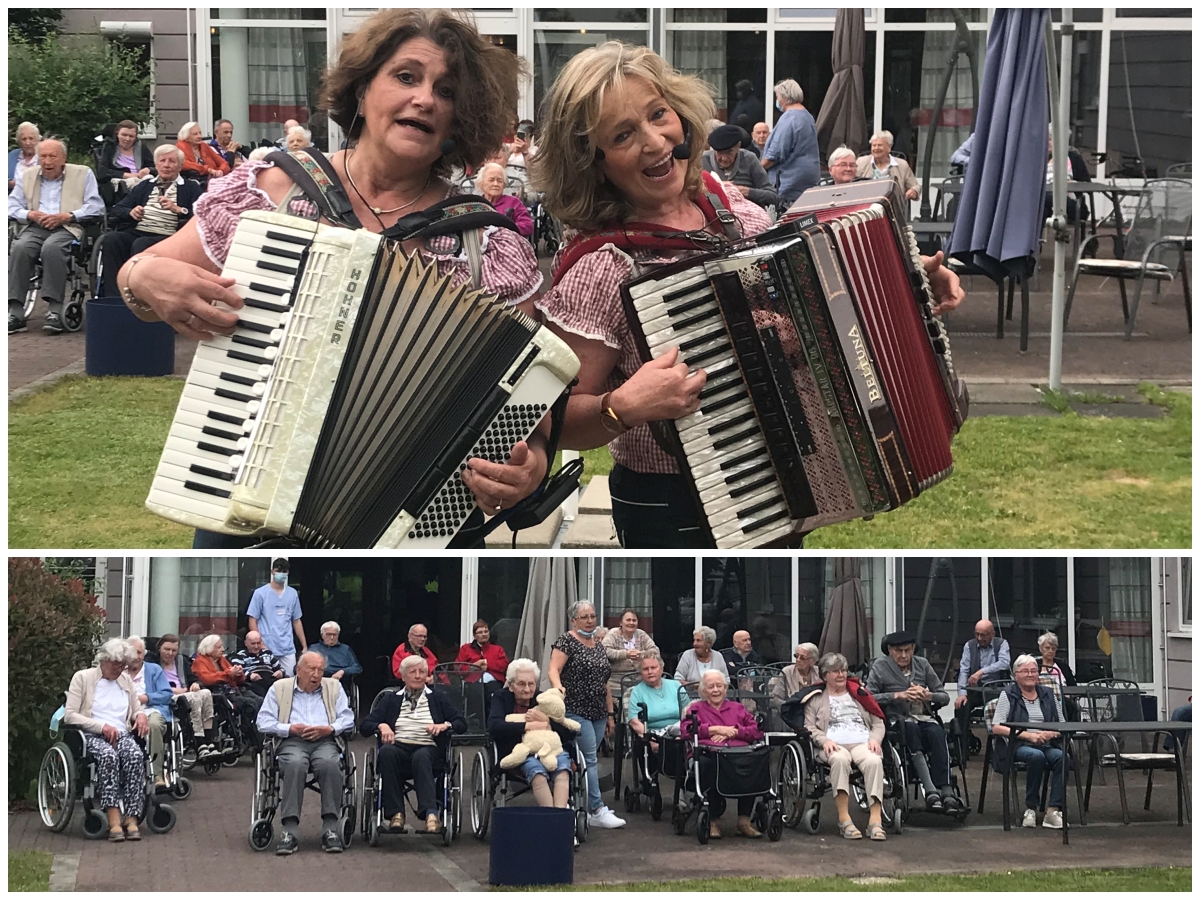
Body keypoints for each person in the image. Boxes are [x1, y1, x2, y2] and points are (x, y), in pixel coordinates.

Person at [116, 10, 550, 548]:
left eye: (448, 90)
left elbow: (534, 412)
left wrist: (529, 466)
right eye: (406, 76)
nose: (425, 99)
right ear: (363, 89)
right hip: (243, 483)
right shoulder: (271, 191)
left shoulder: (488, 242)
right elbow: (139, 285)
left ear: (461, 119)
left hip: (414, 524)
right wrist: (145, 272)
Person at [531, 44, 967, 549]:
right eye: (623, 135)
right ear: (593, 161)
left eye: (658, 115)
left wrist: (908, 287)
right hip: (671, 502)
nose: (654, 142)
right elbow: (554, 418)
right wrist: (622, 407)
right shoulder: (603, 265)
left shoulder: (728, 204)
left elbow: (815, 320)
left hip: (778, 476)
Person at [256, 650, 356, 854]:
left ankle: (330, 828)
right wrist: (290, 728)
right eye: (312, 669)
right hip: (292, 741)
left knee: (330, 763)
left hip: (325, 740)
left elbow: (348, 718)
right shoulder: (279, 688)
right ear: (298, 670)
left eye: (321, 670)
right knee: (295, 764)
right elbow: (263, 721)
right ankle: (289, 830)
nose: (317, 674)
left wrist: (329, 729)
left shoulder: (334, 687)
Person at [8, 138, 106, 334]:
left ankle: (54, 309)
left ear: (63, 159)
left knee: (52, 248)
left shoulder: (82, 174)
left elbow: (96, 206)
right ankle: (15, 311)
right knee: (19, 248)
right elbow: (10, 206)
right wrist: (29, 214)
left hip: (68, 226)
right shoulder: (27, 176)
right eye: (43, 156)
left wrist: (68, 215)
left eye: (52, 156)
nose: (47, 161)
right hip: (37, 225)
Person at [360, 655, 466, 833]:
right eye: (413, 672)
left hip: (428, 748)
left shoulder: (438, 698)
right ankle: (396, 815)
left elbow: (461, 723)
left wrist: (444, 725)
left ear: (427, 675)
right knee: (386, 753)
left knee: (421, 756)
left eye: (422, 672)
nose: (418, 676)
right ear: (403, 676)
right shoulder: (391, 699)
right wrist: (382, 725)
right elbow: (364, 727)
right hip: (399, 747)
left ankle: (431, 814)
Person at [547, 600, 625, 829]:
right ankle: (597, 809)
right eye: (585, 617)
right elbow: (554, 668)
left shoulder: (598, 644)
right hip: (575, 708)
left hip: (598, 709)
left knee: (588, 759)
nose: (590, 621)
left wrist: (610, 713)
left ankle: (583, 802)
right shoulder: (566, 641)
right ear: (574, 620)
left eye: (593, 616)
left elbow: (605, 682)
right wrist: (557, 686)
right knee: (589, 757)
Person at [64, 638, 151, 842]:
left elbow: (136, 708)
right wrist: (101, 726)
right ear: (103, 660)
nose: (119, 669)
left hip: (121, 732)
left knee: (135, 756)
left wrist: (140, 715)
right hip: (90, 734)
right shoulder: (83, 678)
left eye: (122, 665)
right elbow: (70, 715)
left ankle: (131, 818)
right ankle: (113, 819)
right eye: (115, 664)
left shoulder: (125, 681)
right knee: (108, 756)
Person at [866, 631, 958, 812]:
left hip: (923, 717)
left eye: (907, 650)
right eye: (898, 651)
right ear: (890, 651)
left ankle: (947, 791)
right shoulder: (880, 666)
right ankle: (930, 790)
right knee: (910, 731)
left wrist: (927, 694)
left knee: (938, 733)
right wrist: (897, 695)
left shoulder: (922, 664)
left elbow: (944, 697)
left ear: (913, 649)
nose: (903, 655)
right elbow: (868, 697)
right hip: (896, 720)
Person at [97, 144, 203, 298]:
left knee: (141, 244)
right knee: (111, 240)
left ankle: (140, 295)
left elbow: (203, 214)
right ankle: (114, 296)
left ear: (180, 166)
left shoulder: (190, 187)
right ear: (156, 164)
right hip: (140, 230)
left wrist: (179, 210)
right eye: (162, 161)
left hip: (171, 236)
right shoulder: (145, 186)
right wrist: (131, 212)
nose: (166, 165)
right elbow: (118, 208)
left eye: (172, 161)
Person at [806, 652, 888, 841]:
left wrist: (875, 739)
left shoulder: (859, 694)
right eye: (835, 671)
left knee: (874, 760)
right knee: (840, 759)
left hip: (862, 741)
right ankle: (844, 819)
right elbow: (809, 727)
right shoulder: (816, 698)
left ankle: (875, 820)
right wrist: (824, 740)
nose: (841, 675)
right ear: (825, 675)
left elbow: (878, 721)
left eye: (843, 670)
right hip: (833, 745)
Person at [680, 669, 764, 839]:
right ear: (703, 691)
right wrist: (714, 730)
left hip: (738, 754)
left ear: (726, 689)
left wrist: (733, 732)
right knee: (709, 765)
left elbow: (757, 731)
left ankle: (744, 821)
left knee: (755, 763)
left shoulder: (737, 708)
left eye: (720, 686)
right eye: (711, 687)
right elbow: (686, 730)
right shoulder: (696, 709)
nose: (716, 690)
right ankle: (713, 821)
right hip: (709, 755)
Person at [990, 654, 1067, 830]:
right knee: (1036, 756)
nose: (1030, 674)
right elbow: (996, 727)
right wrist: (1028, 736)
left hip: (1046, 743)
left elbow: (1062, 724)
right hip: (1019, 745)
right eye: (1025, 671)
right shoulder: (1008, 694)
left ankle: (1053, 811)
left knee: (1063, 757)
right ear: (1015, 675)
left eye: (1034, 671)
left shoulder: (1048, 694)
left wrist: (1049, 734)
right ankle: (1030, 808)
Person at [487, 658, 576, 808]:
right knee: (536, 770)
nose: (527, 689)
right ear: (510, 685)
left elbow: (568, 732)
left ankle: (560, 815)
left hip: (551, 750)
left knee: (562, 769)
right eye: (521, 684)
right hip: (519, 751)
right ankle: (551, 817)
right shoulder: (501, 697)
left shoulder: (543, 699)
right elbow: (495, 726)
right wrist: (528, 726)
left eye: (531, 684)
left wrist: (547, 722)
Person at [153, 633, 217, 758]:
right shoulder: (153, 662)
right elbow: (151, 685)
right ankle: (199, 742)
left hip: (185, 693)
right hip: (167, 696)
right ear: (159, 648)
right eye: (167, 649)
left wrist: (195, 684)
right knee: (194, 697)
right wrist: (173, 690)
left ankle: (209, 740)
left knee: (206, 693)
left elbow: (193, 678)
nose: (170, 653)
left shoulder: (181, 661)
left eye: (174, 650)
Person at [761, 79, 821, 210]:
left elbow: (775, 154)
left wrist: (758, 169)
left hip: (790, 184)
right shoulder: (807, 116)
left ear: (784, 97)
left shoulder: (789, 119)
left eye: (777, 97)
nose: (777, 100)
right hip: (807, 179)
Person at [124, 636, 174, 789]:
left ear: (144, 654)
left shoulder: (154, 670)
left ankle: (156, 774)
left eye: (140, 653)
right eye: (133, 652)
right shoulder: (118, 671)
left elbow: (167, 694)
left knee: (153, 724)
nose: (136, 656)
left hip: (150, 709)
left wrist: (146, 698)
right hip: (124, 711)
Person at [247, 559, 305, 676]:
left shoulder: (292, 594)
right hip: (266, 647)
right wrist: (260, 644)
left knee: (288, 682)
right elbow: (253, 620)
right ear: (272, 572)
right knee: (268, 683)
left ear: (288, 573)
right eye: (278, 571)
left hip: (287, 648)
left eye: (284, 571)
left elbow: (296, 621)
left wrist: (304, 645)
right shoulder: (260, 593)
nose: (281, 574)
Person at [192, 632, 263, 726]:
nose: (222, 649)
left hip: (234, 690)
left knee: (260, 700)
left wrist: (238, 673)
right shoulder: (200, 662)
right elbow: (207, 679)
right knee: (250, 704)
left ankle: (258, 730)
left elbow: (239, 679)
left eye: (222, 646)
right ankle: (248, 732)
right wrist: (229, 673)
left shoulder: (221, 659)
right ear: (209, 649)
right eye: (218, 647)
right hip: (220, 694)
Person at [701, 124, 777, 210]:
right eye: (719, 152)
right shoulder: (703, 160)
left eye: (729, 152)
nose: (724, 158)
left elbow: (773, 196)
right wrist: (717, 187)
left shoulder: (749, 159)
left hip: (749, 215)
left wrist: (747, 191)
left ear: (738, 146)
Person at [601, 608, 659, 701]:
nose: (631, 623)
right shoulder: (613, 634)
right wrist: (625, 654)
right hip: (617, 681)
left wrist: (640, 654)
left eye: (634, 620)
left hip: (640, 679)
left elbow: (655, 651)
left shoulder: (641, 634)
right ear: (620, 622)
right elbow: (604, 651)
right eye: (628, 620)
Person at [954, 619, 1012, 709]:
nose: (979, 638)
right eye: (977, 634)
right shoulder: (969, 646)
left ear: (992, 634)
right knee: (962, 705)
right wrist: (962, 693)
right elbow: (964, 670)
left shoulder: (1001, 644)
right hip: (976, 691)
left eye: (983, 635)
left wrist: (981, 672)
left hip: (996, 690)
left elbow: (1004, 663)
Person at [96, 120, 156, 198]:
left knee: (150, 179)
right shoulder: (109, 147)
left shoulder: (141, 148)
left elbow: (155, 167)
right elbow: (102, 172)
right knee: (134, 183)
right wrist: (127, 175)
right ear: (117, 133)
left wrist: (149, 169)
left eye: (131, 136)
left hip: (141, 179)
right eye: (124, 135)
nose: (127, 139)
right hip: (121, 182)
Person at [626, 654, 683, 737]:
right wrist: (650, 738)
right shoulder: (636, 692)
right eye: (645, 669)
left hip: (679, 733)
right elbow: (634, 722)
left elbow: (687, 711)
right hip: (654, 735)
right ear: (641, 672)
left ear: (661, 668)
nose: (650, 672)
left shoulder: (676, 686)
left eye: (653, 668)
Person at [855, 130, 919, 201]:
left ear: (889, 147)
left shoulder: (902, 165)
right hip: (866, 206)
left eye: (879, 145)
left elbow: (915, 186)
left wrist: (914, 191)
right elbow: (851, 183)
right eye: (874, 145)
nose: (876, 148)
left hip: (893, 208)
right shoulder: (861, 162)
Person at [476, 162, 533, 237]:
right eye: (491, 180)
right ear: (481, 183)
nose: (496, 184)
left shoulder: (513, 202)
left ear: (504, 185)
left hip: (507, 244)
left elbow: (527, 226)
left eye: (500, 181)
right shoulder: (475, 204)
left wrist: (506, 229)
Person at [308, 621, 363, 696]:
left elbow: (357, 668)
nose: (331, 638)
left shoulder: (345, 649)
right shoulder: (314, 648)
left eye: (334, 635)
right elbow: (299, 667)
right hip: (317, 681)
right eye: (328, 634)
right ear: (322, 635)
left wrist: (342, 671)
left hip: (339, 683)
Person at [230, 630, 284, 698]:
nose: (256, 646)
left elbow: (280, 668)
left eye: (258, 643)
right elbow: (237, 671)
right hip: (253, 683)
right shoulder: (240, 656)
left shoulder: (267, 653)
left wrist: (280, 672)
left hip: (270, 680)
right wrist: (249, 675)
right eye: (253, 643)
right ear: (246, 643)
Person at [9, 122, 40, 192]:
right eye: (24, 139)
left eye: (31, 138)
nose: (27, 143)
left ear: (37, 139)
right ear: (19, 141)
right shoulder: (12, 155)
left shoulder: (44, 156)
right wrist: (9, 182)